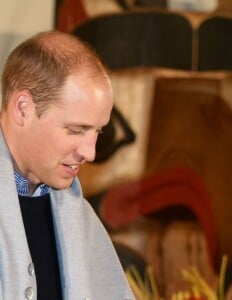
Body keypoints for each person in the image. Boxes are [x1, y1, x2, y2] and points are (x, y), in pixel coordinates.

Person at [0, 31, 135, 300]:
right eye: (76, 130)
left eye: (97, 131)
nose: (91, 152)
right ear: (23, 109)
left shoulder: (79, 215)